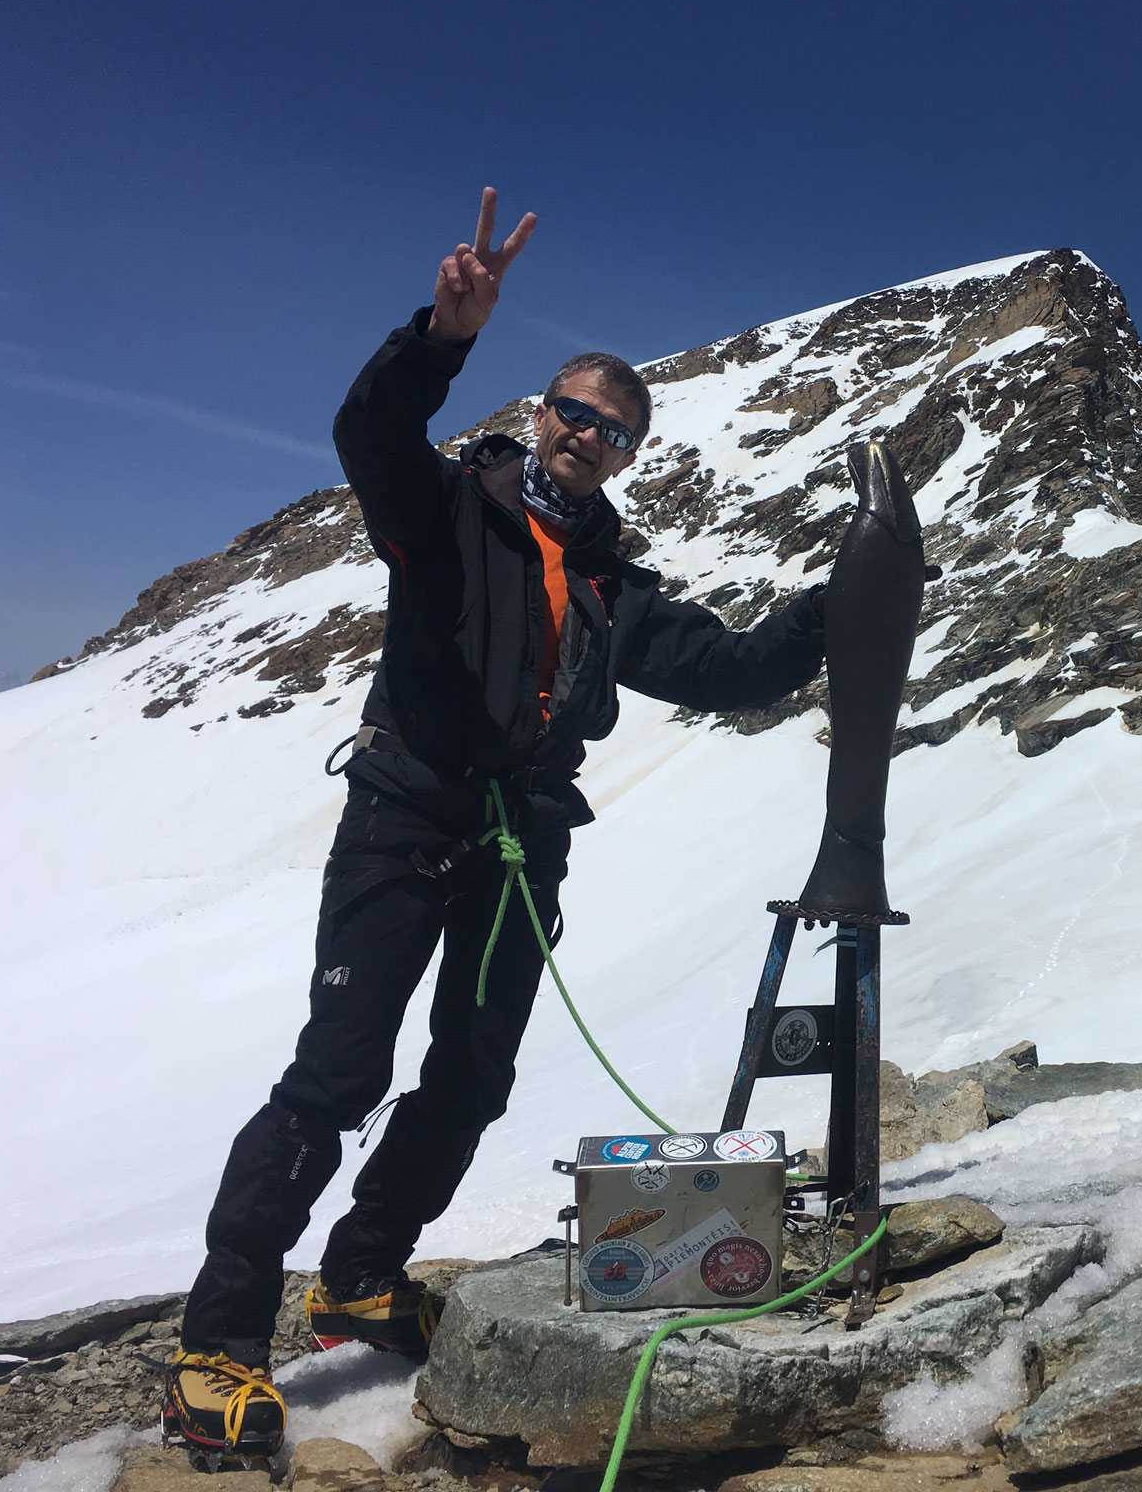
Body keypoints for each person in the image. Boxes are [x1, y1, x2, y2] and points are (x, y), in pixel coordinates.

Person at [162, 189, 827, 1464]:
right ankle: (215, 1346)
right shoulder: (444, 510)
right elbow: (369, 428)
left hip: (520, 838)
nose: (588, 439)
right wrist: (442, 335)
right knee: (339, 1075)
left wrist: (829, 604)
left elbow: (733, 669)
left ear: (626, 458)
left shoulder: (617, 586)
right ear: (538, 417)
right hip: (405, 817)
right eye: (576, 415)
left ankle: (359, 1279)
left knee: (471, 1074)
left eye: (614, 433)